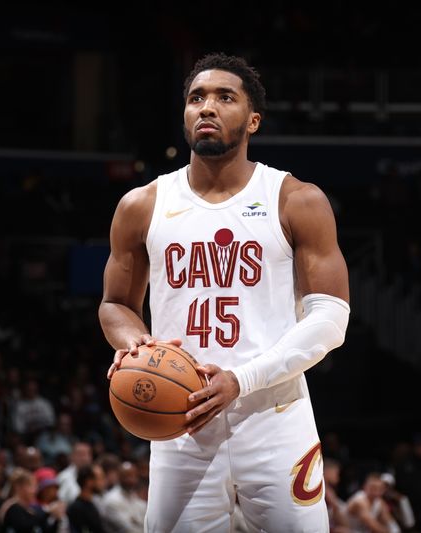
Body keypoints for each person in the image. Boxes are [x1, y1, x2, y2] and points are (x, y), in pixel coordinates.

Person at [99, 52, 350, 532]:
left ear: (253, 119)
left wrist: (242, 379)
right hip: (181, 424)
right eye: (196, 98)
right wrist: (135, 346)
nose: (207, 107)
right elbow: (115, 306)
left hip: (275, 417)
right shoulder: (141, 205)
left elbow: (330, 318)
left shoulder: (297, 199)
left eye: (224, 97)